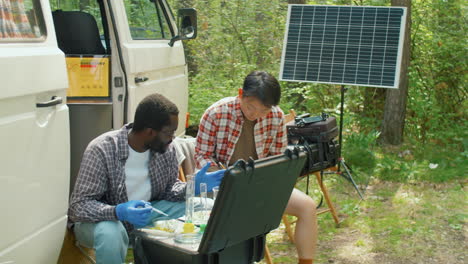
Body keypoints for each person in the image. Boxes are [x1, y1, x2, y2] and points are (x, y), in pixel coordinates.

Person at [68, 93, 225, 264]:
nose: (173, 138)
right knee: (110, 232)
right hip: (102, 221)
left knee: (206, 207)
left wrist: (192, 187)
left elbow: (169, 191)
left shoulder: (166, 148)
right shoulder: (102, 150)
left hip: (148, 212)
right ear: (150, 132)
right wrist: (117, 211)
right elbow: (79, 207)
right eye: (169, 132)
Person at [195, 71, 318, 264]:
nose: (255, 115)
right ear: (240, 94)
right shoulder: (216, 113)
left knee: (308, 207)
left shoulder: (276, 116)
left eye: (263, 111)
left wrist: (275, 178)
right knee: (240, 218)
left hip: (261, 183)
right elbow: (202, 155)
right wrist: (220, 174)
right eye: (250, 107)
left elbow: (277, 157)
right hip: (222, 186)